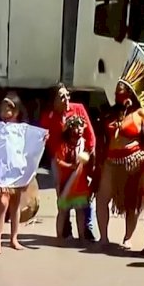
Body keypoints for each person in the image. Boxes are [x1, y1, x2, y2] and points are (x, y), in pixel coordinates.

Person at [96, 45, 144, 249]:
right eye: (116, 91)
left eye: (121, 91)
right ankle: (103, 237)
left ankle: (128, 237)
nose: (117, 94)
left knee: (132, 202)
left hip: (133, 163)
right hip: (111, 161)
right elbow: (102, 137)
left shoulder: (141, 113)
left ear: (130, 92)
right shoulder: (109, 113)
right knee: (102, 198)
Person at [39, 82, 96, 240]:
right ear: (54, 101)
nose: (66, 99)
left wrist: (86, 155)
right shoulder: (48, 117)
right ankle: (65, 229)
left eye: (67, 95)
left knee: (83, 198)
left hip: (80, 159)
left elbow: (90, 135)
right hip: (60, 162)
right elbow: (42, 141)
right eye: (61, 96)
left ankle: (87, 230)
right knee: (63, 197)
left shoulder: (78, 109)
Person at [0, 92, 31, 253]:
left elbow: (32, 146)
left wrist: (42, 138)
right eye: (2, 107)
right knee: (2, 203)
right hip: (2, 171)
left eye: (8, 107)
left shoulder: (23, 129)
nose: (4, 110)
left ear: (16, 110)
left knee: (15, 206)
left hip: (17, 170)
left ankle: (14, 238)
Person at [54, 115, 94, 243]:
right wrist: (71, 166)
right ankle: (60, 237)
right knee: (63, 211)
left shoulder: (84, 143)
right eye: (77, 127)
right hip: (66, 182)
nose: (80, 130)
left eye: (81, 127)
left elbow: (90, 158)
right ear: (70, 129)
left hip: (80, 183)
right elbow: (58, 160)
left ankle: (82, 237)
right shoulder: (64, 145)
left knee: (80, 211)